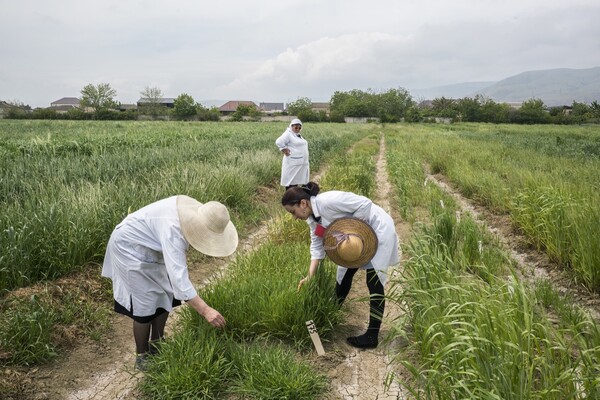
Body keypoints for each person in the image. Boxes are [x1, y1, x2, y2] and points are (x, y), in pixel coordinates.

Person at [101, 195, 238, 371]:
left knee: (166, 294)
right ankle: (142, 356)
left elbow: (176, 277)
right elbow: (179, 278)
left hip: (152, 248)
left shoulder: (191, 216)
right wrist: (205, 310)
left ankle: (158, 342)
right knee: (145, 303)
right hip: (128, 248)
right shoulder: (173, 229)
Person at [281, 182, 399, 349]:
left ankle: (372, 336)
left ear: (303, 203)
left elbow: (365, 203)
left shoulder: (328, 201)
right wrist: (309, 276)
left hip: (376, 231)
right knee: (343, 275)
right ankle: (330, 316)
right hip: (350, 242)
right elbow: (317, 248)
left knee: (374, 281)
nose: (294, 217)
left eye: (293, 212)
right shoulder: (312, 220)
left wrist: (353, 231)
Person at [275, 118, 309, 190]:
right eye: (296, 127)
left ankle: (294, 198)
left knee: (295, 181)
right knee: (291, 182)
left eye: (299, 127)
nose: (297, 128)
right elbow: (278, 142)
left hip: (299, 162)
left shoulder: (297, 135)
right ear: (291, 126)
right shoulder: (288, 134)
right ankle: (289, 198)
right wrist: (283, 149)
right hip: (292, 163)